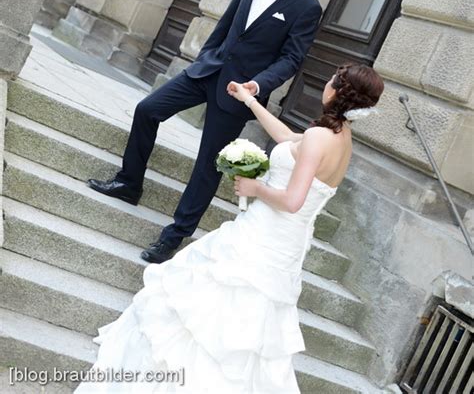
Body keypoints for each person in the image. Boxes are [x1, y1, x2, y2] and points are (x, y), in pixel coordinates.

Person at [75, 63, 384, 394]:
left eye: (331, 80)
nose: (326, 84)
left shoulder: (319, 137)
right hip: (286, 246)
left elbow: (293, 200)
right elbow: (288, 138)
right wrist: (250, 102)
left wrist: (256, 189)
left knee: (215, 308)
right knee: (247, 325)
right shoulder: (340, 140)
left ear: (337, 91)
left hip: (265, 236)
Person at [87, 0, 322, 264]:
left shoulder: (307, 6)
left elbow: (291, 59)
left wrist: (255, 87)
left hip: (240, 91)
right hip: (208, 71)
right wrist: (206, 55)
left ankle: (175, 235)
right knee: (147, 109)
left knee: (208, 165)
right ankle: (129, 183)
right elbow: (227, 24)